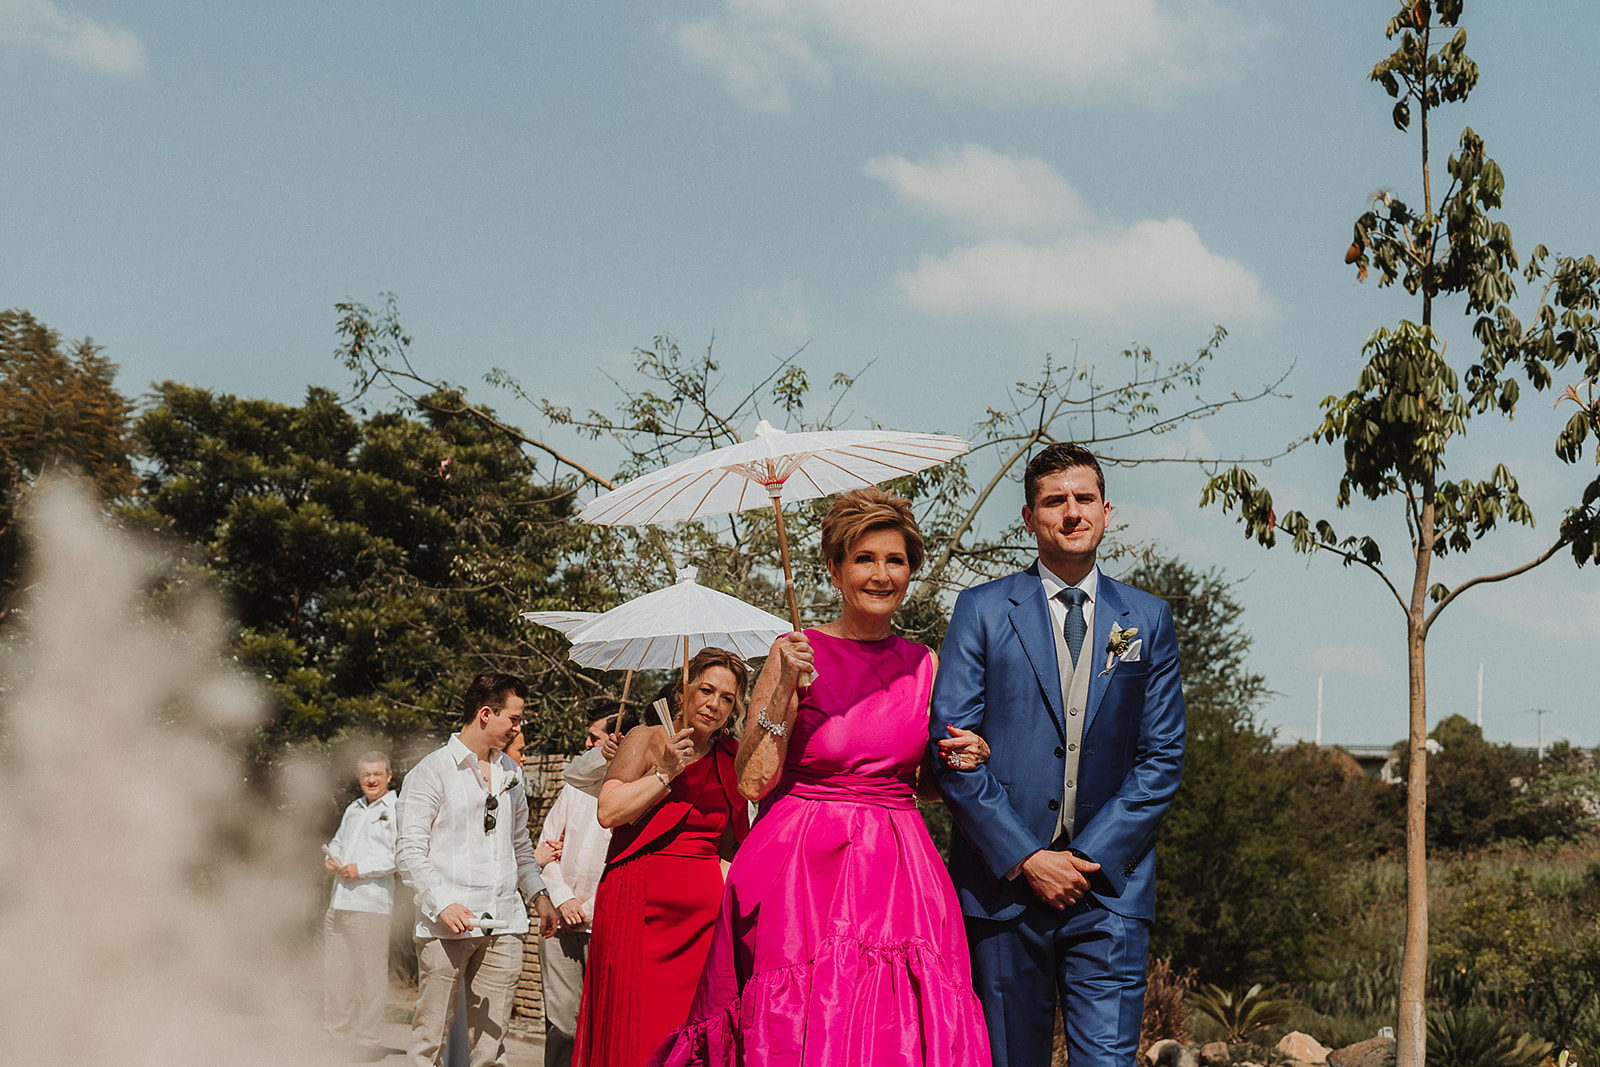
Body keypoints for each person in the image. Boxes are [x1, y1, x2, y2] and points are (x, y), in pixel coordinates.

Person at [649, 487, 993, 1067]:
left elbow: (925, 784)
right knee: (801, 1020)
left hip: (898, 872)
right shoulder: (792, 652)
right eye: (864, 559)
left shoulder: (926, 663)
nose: (881, 574)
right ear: (835, 570)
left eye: (895, 560)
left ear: (910, 571)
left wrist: (966, 756)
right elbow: (754, 782)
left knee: (898, 1027)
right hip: (803, 869)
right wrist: (783, 689)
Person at [930, 443, 1187, 1067]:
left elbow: (1162, 757)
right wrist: (1026, 857)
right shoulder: (981, 610)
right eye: (1054, 501)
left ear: (1106, 510)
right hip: (1003, 891)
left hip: (1111, 893)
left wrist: (1091, 857)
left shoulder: (1147, 619)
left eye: (1084, 498)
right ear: (1028, 517)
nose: (1071, 512)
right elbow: (952, 750)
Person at [572, 650, 751, 1067]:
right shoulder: (645, 738)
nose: (714, 703)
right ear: (682, 692)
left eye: (727, 698)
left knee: (691, 1036)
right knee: (634, 1034)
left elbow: (731, 848)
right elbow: (609, 812)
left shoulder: (733, 757)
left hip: (701, 928)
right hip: (637, 908)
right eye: (706, 690)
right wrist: (665, 773)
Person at [397, 671, 559, 1067]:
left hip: (503, 924)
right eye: (514, 719)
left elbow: (520, 844)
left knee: (490, 1047)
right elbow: (409, 852)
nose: (519, 728)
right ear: (486, 714)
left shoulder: (511, 773)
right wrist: (442, 905)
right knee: (430, 1043)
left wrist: (539, 895)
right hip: (446, 926)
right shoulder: (431, 771)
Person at [537, 708, 621, 1067]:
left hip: (605, 923)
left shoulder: (635, 795)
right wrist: (564, 899)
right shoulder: (573, 789)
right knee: (561, 1023)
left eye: (594, 738)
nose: (586, 744)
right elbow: (545, 849)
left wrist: (586, 908)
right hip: (561, 923)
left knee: (603, 1023)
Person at [323, 751, 399, 1060]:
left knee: (370, 977)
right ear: (359, 777)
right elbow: (339, 842)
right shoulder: (352, 809)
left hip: (371, 905)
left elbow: (400, 854)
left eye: (377, 774)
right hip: (338, 902)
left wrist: (361, 868)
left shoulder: (396, 809)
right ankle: (335, 1037)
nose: (371, 779)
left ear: (389, 776)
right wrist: (332, 859)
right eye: (366, 774)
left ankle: (368, 1041)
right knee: (337, 974)